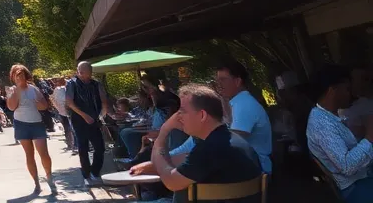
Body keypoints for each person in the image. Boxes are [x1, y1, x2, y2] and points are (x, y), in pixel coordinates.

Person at [129, 83, 261, 203]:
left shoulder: (210, 147)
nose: (178, 116)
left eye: (182, 111)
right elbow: (181, 161)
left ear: (202, 115)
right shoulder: (234, 141)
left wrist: (163, 132)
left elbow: (171, 182)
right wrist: (154, 165)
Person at [168, 60, 272, 175]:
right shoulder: (235, 102)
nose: (218, 84)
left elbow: (233, 139)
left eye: (223, 79)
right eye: (217, 80)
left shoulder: (244, 103)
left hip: (252, 170)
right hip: (243, 167)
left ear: (237, 81)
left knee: (184, 168)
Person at [308, 64, 373, 202]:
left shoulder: (328, 116)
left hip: (362, 177)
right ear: (333, 90)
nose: (351, 94)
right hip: (354, 187)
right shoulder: (321, 124)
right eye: (347, 89)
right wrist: (369, 137)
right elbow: (347, 166)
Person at [7, 64, 56, 196]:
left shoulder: (34, 89)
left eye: (21, 75)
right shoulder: (12, 90)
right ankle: (36, 183)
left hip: (36, 123)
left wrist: (37, 103)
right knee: (29, 154)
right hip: (21, 124)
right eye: (16, 76)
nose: (19, 78)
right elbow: (11, 107)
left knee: (44, 153)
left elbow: (44, 106)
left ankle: (49, 177)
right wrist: (16, 92)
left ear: (26, 75)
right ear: (13, 77)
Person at [65, 59, 109, 186]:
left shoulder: (96, 84)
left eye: (84, 72)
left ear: (89, 72)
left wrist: (102, 115)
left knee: (100, 147)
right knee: (83, 147)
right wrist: (84, 116)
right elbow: (69, 102)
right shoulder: (72, 84)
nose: (81, 74)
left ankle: (95, 172)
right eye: (80, 71)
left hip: (94, 119)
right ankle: (86, 174)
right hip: (79, 119)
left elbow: (104, 100)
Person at [51, 77, 76, 153]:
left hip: (64, 112)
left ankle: (71, 144)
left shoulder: (58, 90)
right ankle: (73, 144)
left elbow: (54, 100)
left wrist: (58, 109)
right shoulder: (62, 90)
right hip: (68, 112)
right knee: (71, 128)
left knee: (68, 128)